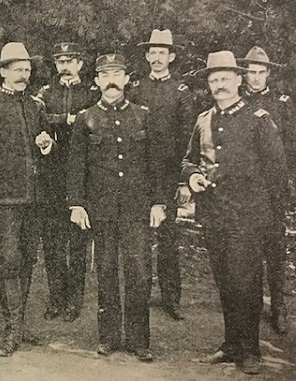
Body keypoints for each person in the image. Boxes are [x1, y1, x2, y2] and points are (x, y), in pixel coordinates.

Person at [183, 51, 287, 374]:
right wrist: (192, 176)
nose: (219, 85)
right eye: (214, 80)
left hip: (249, 218)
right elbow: (188, 159)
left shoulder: (258, 119)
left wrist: (268, 217)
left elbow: (277, 172)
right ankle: (230, 344)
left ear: (239, 80)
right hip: (214, 216)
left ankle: (250, 349)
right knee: (225, 282)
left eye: (225, 78)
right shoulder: (204, 120)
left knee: (247, 284)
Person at [67, 53, 167, 362]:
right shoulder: (86, 118)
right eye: (105, 74)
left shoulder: (143, 116)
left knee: (138, 272)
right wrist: (76, 204)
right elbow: (75, 166)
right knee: (107, 271)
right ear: (96, 81)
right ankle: (108, 337)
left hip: (137, 209)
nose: (111, 80)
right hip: (102, 209)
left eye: (117, 74)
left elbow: (156, 165)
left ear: (126, 79)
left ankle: (139, 340)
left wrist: (158, 202)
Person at [0, 42, 54, 357]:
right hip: (4, 199)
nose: (24, 74)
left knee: (29, 259)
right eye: (18, 69)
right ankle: (10, 331)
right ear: (3, 71)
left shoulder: (35, 104)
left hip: (33, 198)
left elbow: (46, 144)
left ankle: (19, 326)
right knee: (8, 260)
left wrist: (47, 145)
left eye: (28, 69)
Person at [129, 29, 194, 320]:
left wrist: (182, 181)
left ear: (172, 56)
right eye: (152, 53)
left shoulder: (181, 92)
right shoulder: (135, 88)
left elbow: (186, 139)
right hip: (137, 174)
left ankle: (171, 298)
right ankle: (139, 294)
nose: (156, 58)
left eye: (162, 53)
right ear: (146, 56)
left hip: (167, 174)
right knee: (138, 237)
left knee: (167, 238)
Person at [35, 42, 98, 322]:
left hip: (84, 175)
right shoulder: (46, 93)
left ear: (81, 64)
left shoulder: (92, 93)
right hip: (52, 174)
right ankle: (56, 297)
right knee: (53, 241)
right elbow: (41, 122)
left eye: (71, 60)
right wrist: (67, 119)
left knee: (77, 242)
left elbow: (94, 121)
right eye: (60, 61)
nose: (65, 65)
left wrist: (64, 122)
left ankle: (75, 300)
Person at [238, 46, 295, 335]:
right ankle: (253, 303)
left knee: (274, 247)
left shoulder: (282, 103)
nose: (256, 78)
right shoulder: (237, 102)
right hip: (246, 188)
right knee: (248, 248)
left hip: (273, 188)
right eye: (251, 72)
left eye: (261, 72)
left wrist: (287, 183)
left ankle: (278, 307)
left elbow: (291, 145)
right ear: (243, 74)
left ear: (269, 73)